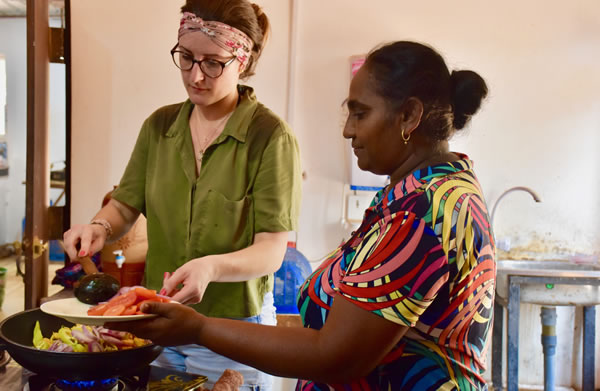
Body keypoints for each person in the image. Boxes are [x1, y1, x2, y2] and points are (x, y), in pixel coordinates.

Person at [107, 41, 495, 391]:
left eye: (360, 114)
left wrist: (199, 327)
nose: (348, 130)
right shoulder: (436, 190)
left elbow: (335, 355)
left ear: (409, 115)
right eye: (187, 58)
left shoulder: (421, 212)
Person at [63, 0, 302, 389]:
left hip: (230, 329)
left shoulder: (270, 137)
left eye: (213, 63)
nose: (196, 76)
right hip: (157, 317)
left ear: (241, 61)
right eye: (186, 58)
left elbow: (271, 250)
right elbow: (126, 202)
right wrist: (100, 226)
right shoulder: (159, 126)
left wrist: (210, 268)